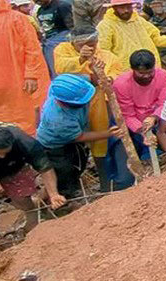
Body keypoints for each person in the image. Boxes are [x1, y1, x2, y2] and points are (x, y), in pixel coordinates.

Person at [52, 30, 130, 191]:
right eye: (82, 45)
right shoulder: (62, 50)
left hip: (99, 103)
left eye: (92, 45)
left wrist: (107, 78)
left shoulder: (107, 56)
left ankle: (106, 183)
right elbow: (61, 67)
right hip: (69, 104)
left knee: (100, 140)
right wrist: (80, 58)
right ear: (73, 43)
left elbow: (114, 73)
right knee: (72, 145)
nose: (88, 48)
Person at [35, 74, 120, 198]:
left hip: (73, 136)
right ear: (66, 103)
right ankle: (61, 199)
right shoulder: (59, 119)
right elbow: (80, 137)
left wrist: (102, 79)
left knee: (79, 164)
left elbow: (91, 79)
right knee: (64, 174)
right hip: (54, 147)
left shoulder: (71, 85)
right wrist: (107, 134)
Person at [0, 0, 50, 134]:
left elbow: (32, 48)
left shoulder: (17, 19)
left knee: (23, 121)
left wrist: (31, 75)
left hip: (17, 81)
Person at [0, 123, 65, 231]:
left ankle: (36, 217)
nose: (2, 156)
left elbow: (45, 168)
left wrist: (53, 194)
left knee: (23, 201)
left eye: (5, 152)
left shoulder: (25, 142)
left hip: (13, 167)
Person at [96, 0, 166, 78]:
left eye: (128, 7)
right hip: (126, 73)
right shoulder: (105, 25)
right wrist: (114, 74)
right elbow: (104, 52)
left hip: (150, 67)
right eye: (122, 8)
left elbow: (157, 39)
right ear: (114, 8)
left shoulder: (139, 20)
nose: (126, 10)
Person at [112, 49, 166, 158]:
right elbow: (128, 115)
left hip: (159, 118)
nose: (146, 76)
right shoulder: (121, 84)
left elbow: (164, 102)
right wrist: (142, 131)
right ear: (133, 70)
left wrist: (154, 117)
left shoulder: (162, 75)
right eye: (141, 73)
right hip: (133, 126)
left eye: (150, 72)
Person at [26, 0, 74, 76]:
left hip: (64, 47)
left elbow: (72, 28)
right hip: (49, 46)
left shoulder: (62, 6)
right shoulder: (40, 11)